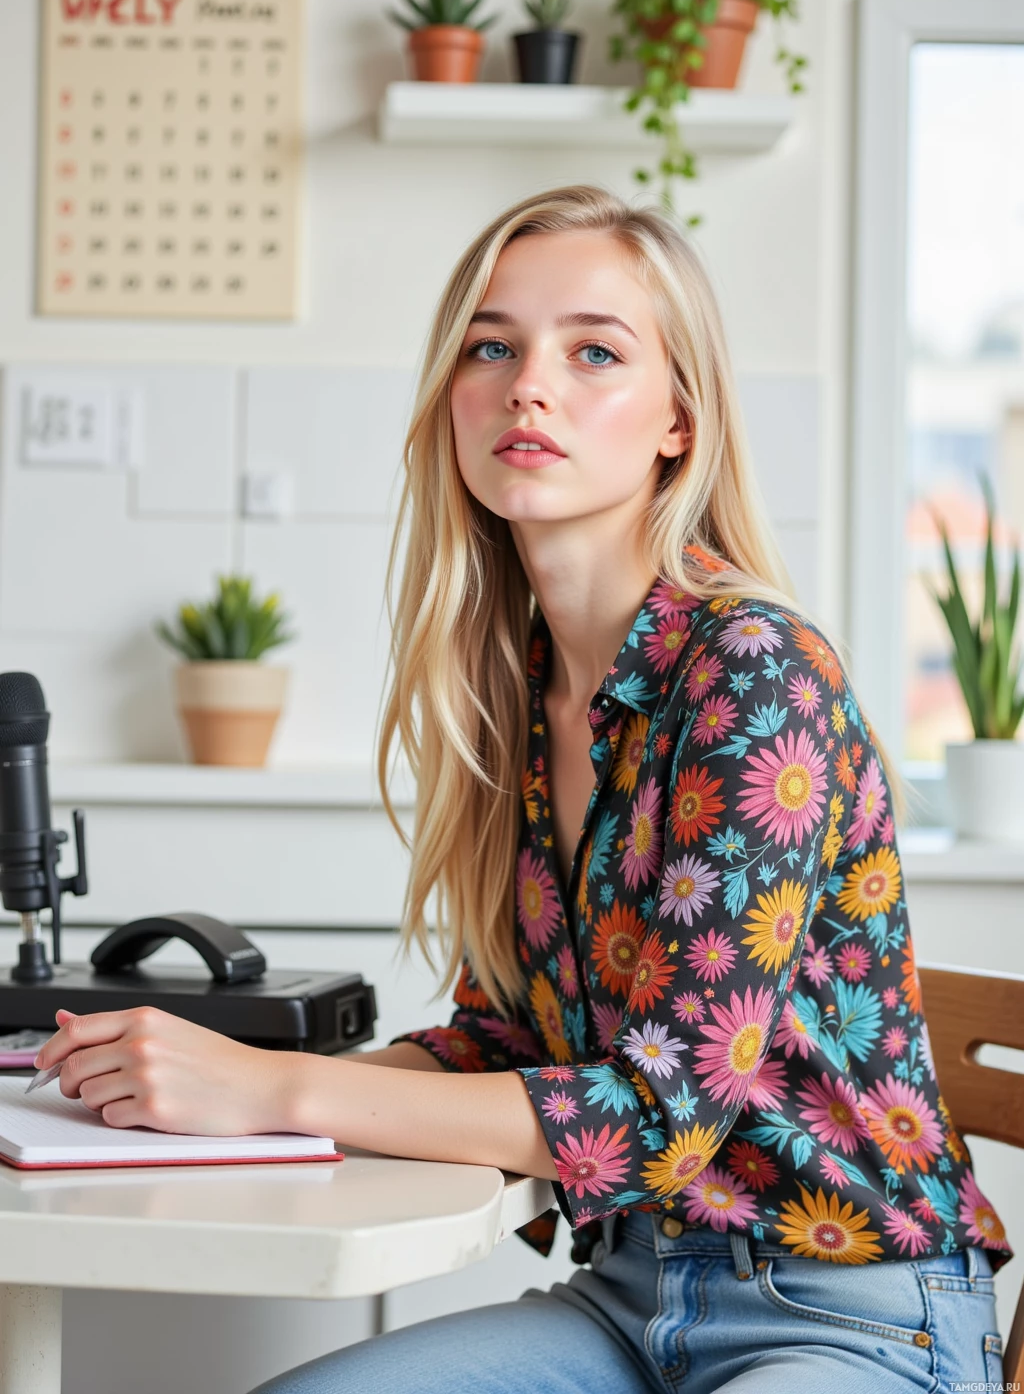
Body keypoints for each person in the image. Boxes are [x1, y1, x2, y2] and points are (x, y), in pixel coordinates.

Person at [34, 187, 1011, 1392]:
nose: (525, 384)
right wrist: (184, 1079)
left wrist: (272, 1087)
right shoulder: (516, 689)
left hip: (849, 1315)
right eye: (490, 347)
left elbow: (665, 1111)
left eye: (593, 350)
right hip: (626, 1300)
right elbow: (498, 1038)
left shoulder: (754, 672)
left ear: (677, 422)